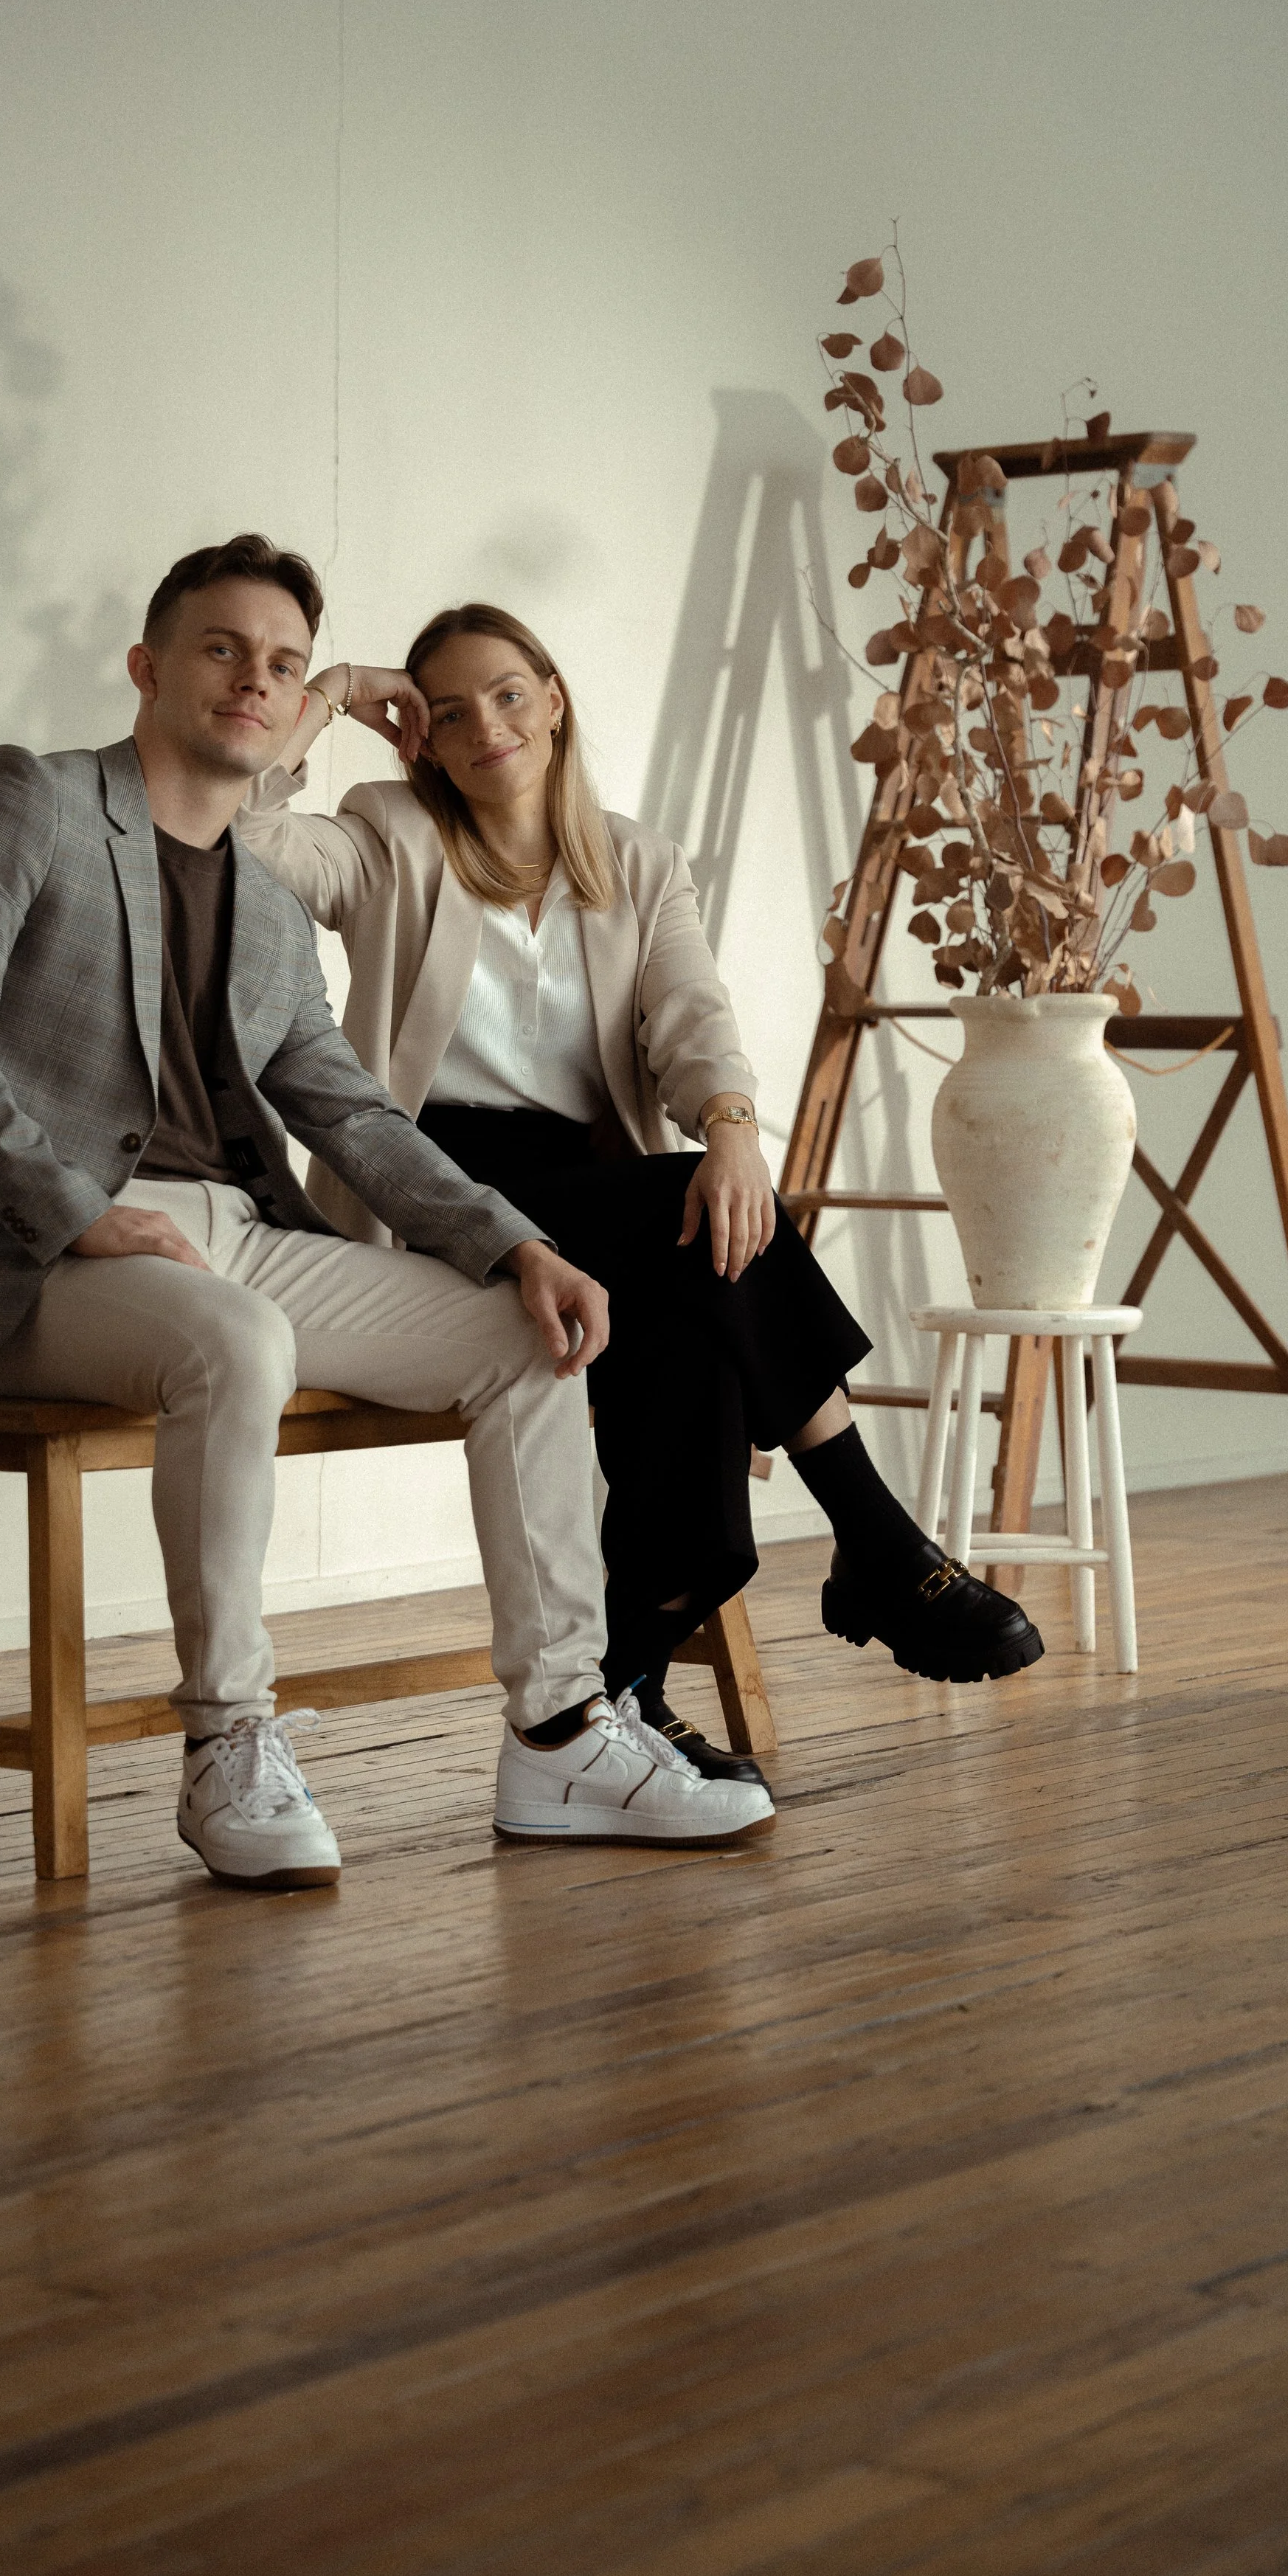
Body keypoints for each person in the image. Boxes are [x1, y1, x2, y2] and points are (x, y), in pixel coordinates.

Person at [0, 538, 776, 1885]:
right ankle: (228, 1740)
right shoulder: (30, 801)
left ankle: (564, 1731)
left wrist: (519, 1247)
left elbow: (352, 1115)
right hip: (34, 1255)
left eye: (284, 665)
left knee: (528, 1335)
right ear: (148, 667)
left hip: (237, 1240)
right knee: (237, 1343)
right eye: (223, 649)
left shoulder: (269, 908)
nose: (254, 680)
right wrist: (71, 1207)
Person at [234, 602, 1044, 1774]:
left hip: (600, 1202)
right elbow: (244, 832)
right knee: (690, 1229)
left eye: (509, 693)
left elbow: (692, 1019)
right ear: (423, 737)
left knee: (697, 1331)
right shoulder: (388, 834)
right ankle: (874, 1537)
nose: (485, 726)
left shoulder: (642, 864)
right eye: (449, 710)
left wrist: (733, 1132)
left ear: (554, 699)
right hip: (441, 1202)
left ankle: (620, 1695)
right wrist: (339, 688)